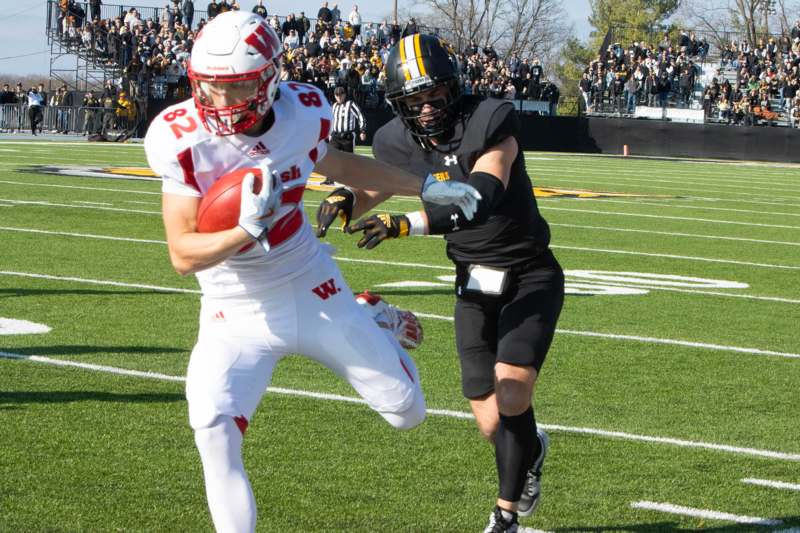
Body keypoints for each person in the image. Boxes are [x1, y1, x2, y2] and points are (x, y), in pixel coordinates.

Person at [143, 13, 481, 533]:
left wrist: (425, 185)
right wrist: (244, 230)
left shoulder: (305, 111)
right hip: (231, 303)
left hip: (309, 284)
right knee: (213, 431)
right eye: (209, 87)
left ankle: (372, 317)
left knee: (407, 413)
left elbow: (340, 167)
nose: (220, 101)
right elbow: (183, 255)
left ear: (270, 79)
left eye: (236, 88)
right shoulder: (180, 137)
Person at [317, 34, 564, 533]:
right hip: (472, 279)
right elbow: (379, 182)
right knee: (490, 417)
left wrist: (406, 224)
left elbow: (482, 195)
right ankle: (531, 448)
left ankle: (505, 514)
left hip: (528, 273)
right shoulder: (393, 140)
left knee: (513, 391)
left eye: (434, 96)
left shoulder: (490, 120)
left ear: (454, 89)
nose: (427, 109)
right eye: (415, 100)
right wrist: (350, 198)